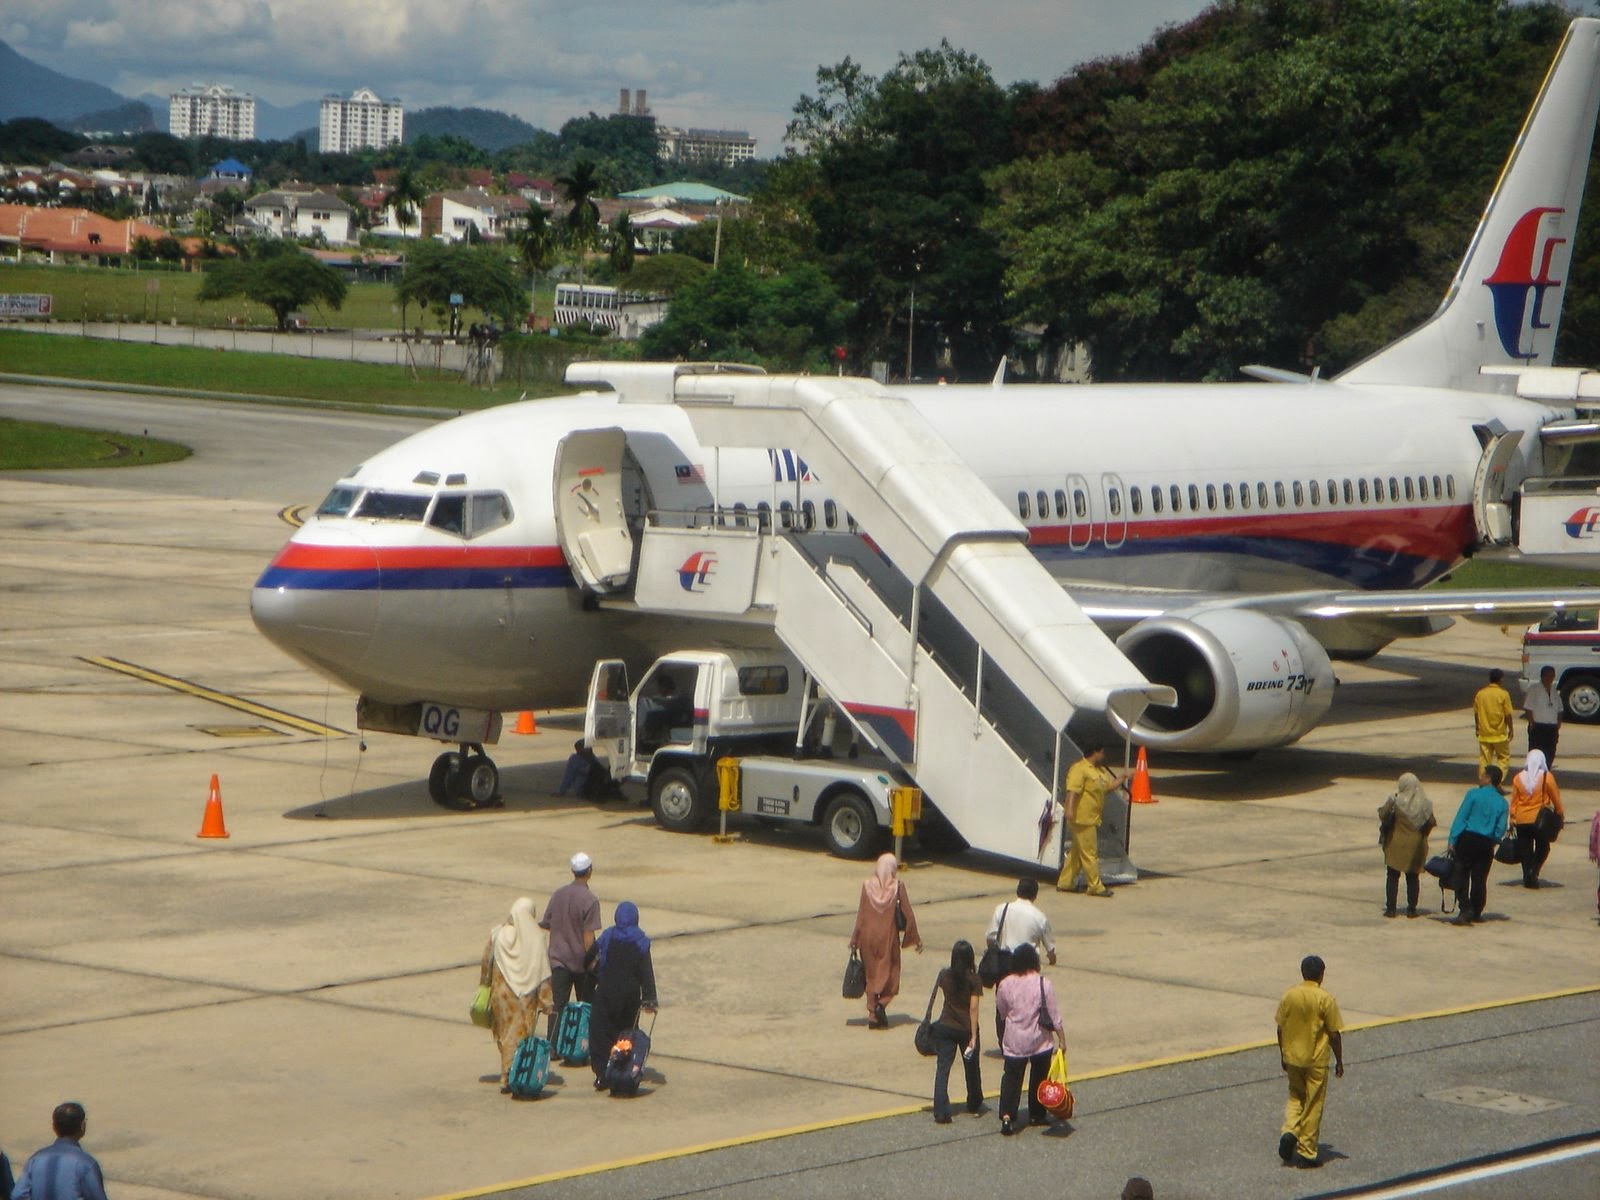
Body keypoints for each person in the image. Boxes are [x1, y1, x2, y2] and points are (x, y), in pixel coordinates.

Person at [1276, 955, 1345, 1170]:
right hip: (1315, 1060)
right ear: (1322, 975)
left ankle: (1289, 1131)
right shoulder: (1325, 999)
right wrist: (1339, 1060)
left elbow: (1280, 1028)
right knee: (1313, 1103)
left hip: (1293, 1057)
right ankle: (1306, 1151)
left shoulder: (1289, 995)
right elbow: (1334, 1034)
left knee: (1296, 1096)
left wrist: (1283, 1055)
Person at [479, 896, 553, 1090]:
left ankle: (508, 1072)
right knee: (519, 1037)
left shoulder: (498, 934)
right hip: (525, 999)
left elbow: (487, 963)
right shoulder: (536, 938)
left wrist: (484, 985)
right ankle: (512, 1074)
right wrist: (546, 1001)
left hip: (501, 996)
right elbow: (542, 972)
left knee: (505, 1036)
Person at [993, 944, 1065, 1135]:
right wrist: (1062, 1040)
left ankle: (1008, 1116)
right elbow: (1054, 1015)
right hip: (1040, 1040)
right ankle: (1037, 1113)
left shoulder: (1005, 984)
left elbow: (1002, 1010)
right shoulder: (1043, 983)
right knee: (1039, 1077)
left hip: (1015, 1041)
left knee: (1012, 1078)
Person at [588, 900, 658, 1088]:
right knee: (625, 1036)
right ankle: (620, 1071)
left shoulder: (609, 935)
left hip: (606, 993)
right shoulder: (641, 941)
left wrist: (596, 976)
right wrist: (650, 999)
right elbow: (646, 972)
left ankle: (602, 1074)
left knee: (601, 1034)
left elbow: (589, 958)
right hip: (629, 998)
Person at [849, 852, 922, 1029]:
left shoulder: (866, 886)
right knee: (891, 974)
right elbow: (908, 914)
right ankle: (882, 1004)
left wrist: (854, 939)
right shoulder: (897, 886)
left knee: (871, 976)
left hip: (867, 937)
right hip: (887, 937)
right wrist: (915, 938)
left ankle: (873, 1014)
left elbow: (861, 914)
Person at [540, 851, 601, 1041]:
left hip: (558, 960)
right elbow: (588, 936)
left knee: (557, 1006)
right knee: (585, 1006)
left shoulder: (558, 894)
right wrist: (594, 963)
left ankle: (552, 1045)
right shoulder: (590, 900)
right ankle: (581, 1044)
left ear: (573, 871)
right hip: (581, 963)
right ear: (589, 871)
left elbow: (547, 923)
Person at [929, 940, 985, 1124]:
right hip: (966, 1029)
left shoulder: (944, 975)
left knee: (943, 1068)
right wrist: (974, 1035)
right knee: (971, 1067)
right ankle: (974, 1101)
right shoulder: (974, 979)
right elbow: (973, 1008)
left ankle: (940, 1110)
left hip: (946, 1026)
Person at [1056, 741, 1122, 897]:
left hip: (1091, 818)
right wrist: (1070, 809)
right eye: (1102, 753)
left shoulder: (1098, 772)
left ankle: (1065, 882)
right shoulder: (1080, 769)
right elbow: (1073, 791)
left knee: (1077, 853)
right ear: (1095, 752)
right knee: (1090, 853)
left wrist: (1122, 778)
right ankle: (1095, 886)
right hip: (1081, 818)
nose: (1104, 756)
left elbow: (1107, 787)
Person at [1448, 765, 1510, 926]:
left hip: (1467, 839)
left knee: (1461, 875)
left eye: (1483, 775)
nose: (1480, 778)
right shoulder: (1502, 803)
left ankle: (1464, 909)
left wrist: (1452, 839)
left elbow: (1461, 818)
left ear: (1488, 778)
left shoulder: (1473, 794)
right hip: (1486, 843)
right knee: (1480, 879)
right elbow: (1501, 828)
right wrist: (1493, 840)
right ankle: (1476, 911)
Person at [12, 1102, 108, 1200]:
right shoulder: (86, 1164)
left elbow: (17, 1195)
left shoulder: (35, 1159)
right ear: (83, 1126)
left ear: (54, 1126)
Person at [1378, 773, 1435, 917]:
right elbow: (1431, 822)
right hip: (1416, 845)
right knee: (1413, 877)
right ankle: (1411, 909)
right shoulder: (1425, 804)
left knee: (1392, 876)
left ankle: (1391, 909)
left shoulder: (1396, 800)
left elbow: (1383, 814)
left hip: (1396, 842)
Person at [1509, 750, 1564, 889]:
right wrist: (1559, 813)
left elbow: (1514, 801)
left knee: (1525, 849)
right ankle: (1534, 871)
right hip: (1540, 820)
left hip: (1521, 819)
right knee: (1543, 848)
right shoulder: (1547, 777)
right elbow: (1555, 798)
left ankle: (1527, 874)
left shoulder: (1517, 778)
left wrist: (1512, 817)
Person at [987, 878, 1057, 967]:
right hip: (1028, 967)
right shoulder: (1040, 917)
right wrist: (1052, 961)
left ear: (1017, 892)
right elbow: (1050, 951)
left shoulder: (1001, 909)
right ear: (1035, 895)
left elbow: (990, 938)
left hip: (1004, 963)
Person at [1473, 669, 1515, 781]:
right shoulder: (1503, 694)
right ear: (1501, 679)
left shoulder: (1480, 694)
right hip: (1499, 734)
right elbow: (1508, 714)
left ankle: (1484, 781)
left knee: (1484, 759)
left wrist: (1477, 727)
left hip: (1484, 733)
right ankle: (1497, 782)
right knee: (1503, 758)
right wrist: (1511, 729)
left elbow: (1476, 713)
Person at [1522, 664, 1562, 765]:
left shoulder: (1554, 690)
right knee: (1536, 752)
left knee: (1550, 752)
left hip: (1552, 727)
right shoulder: (1534, 689)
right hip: (1538, 726)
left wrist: (1558, 724)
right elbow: (1528, 707)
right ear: (1542, 676)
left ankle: (1546, 771)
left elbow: (1560, 709)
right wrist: (1532, 723)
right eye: (1547, 676)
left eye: (1552, 676)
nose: (1550, 678)